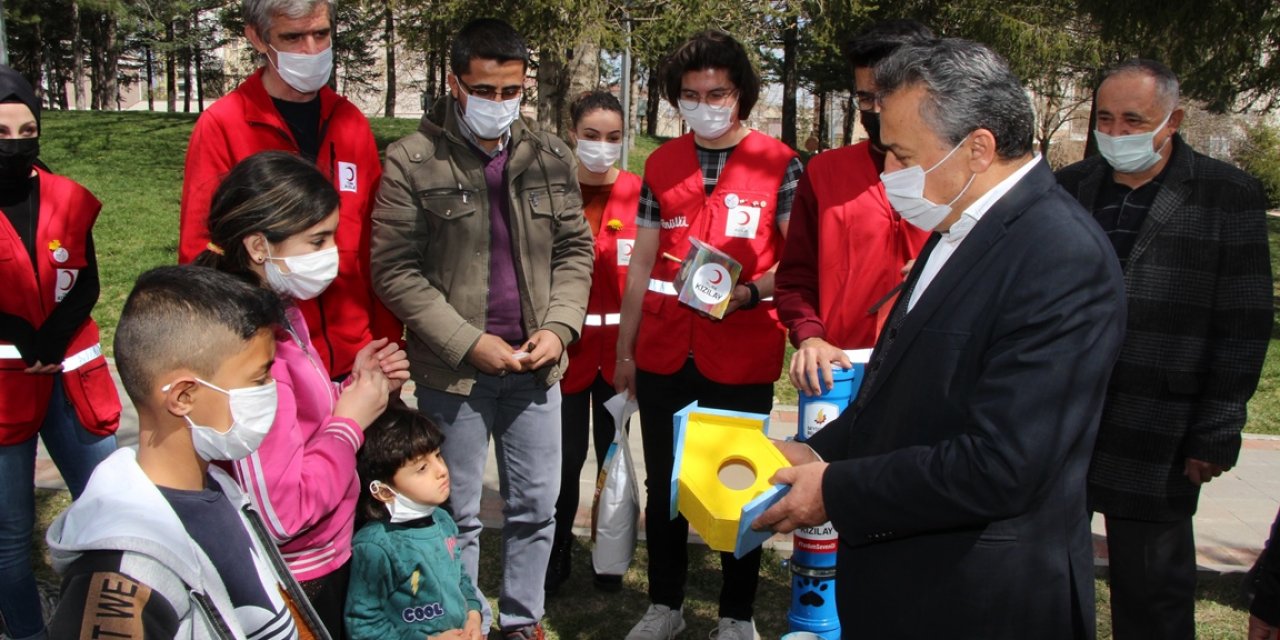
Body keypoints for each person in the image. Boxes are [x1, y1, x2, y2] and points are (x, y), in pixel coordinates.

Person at [752, 39, 1127, 638]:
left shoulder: (1059, 256)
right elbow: (905, 384)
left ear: (977, 147)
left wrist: (837, 489)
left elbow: (1003, 463)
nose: (888, 173)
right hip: (908, 584)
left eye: (901, 154)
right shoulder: (957, 224)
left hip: (982, 597)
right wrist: (821, 453)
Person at [369, 18, 594, 640]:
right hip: (454, 373)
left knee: (537, 508)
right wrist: (469, 341)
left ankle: (523, 621)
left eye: (511, 91)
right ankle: (463, 617)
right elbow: (394, 270)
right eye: (484, 90)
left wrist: (559, 327)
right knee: (456, 512)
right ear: (455, 83)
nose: (499, 104)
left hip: (537, 367)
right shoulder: (412, 161)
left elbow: (576, 251)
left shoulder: (551, 155)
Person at [1055, 59, 1274, 639]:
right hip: (1064, 421)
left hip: (1161, 430)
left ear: (1173, 120)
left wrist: (1217, 429)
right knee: (1051, 580)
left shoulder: (1227, 194)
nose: (1118, 133)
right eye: (1105, 118)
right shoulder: (1068, 187)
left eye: (1134, 119)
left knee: (1153, 596)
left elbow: (1245, 322)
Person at [614, 30, 804, 640]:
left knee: (739, 483)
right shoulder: (662, 164)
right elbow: (642, 264)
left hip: (740, 355)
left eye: (717, 92)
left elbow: (796, 263)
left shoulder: (780, 163)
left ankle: (736, 615)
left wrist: (749, 292)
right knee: (666, 479)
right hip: (665, 352)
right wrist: (625, 350)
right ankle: (665, 605)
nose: (704, 103)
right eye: (691, 95)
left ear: (741, 93)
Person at [194, 150, 409, 640]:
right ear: (257, 246)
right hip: (297, 577)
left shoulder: (281, 312)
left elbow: (298, 417)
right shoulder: (245, 350)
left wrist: (355, 389)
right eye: (318, 239)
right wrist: (350, 422)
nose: (332, 250)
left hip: (325, 553)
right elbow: (283, 512)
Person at [46, 265, 324, 638]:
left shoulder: (221, 490)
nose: (271, 389)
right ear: (183, 396)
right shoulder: (119, 574)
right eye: (258, 379)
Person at [179, 0, 400, 380]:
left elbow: (376, 243)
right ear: (257, 37)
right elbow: (200, 253)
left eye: (321, 34)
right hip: (269, 365)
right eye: (293, 37)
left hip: (358, 360)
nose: (312, 50)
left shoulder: (351, 122)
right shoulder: (223, 125)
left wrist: (387, 344)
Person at [0, 64, 119, 640]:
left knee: (114, 510)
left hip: (71, 381)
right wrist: (20, 333)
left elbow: (89, 279)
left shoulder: (67, 196)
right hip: (3, 394)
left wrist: (51, 335)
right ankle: (26, 633)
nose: (16, 145)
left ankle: (101, 621)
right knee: (10, 533)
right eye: (2, 132)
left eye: (28, 132)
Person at [775, 20, 933, 396]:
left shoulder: (959, 171)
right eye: (865, 98)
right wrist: (810, 337)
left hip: (929, 374)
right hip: (841, 376)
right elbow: (795, 279)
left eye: (887, 96)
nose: (876, 110)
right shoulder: (824, 172)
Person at [545, 89, 639, 595]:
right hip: (564, 356)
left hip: (620, 359)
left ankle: (611, 556)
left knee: (614, 459)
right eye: (592, 136)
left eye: (614, 137)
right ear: (572, 135)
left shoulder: (640, 193)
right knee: (561, 464)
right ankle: (555, 551)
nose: (603, 146)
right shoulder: (553, 192)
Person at [346, 406, 484, 640]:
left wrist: (473, 613)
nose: (441, 470)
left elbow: (459, 576)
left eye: (438, 455)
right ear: (383, 492)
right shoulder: (375, 547)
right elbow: (363, 626)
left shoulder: (442, 519)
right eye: (422, 468)